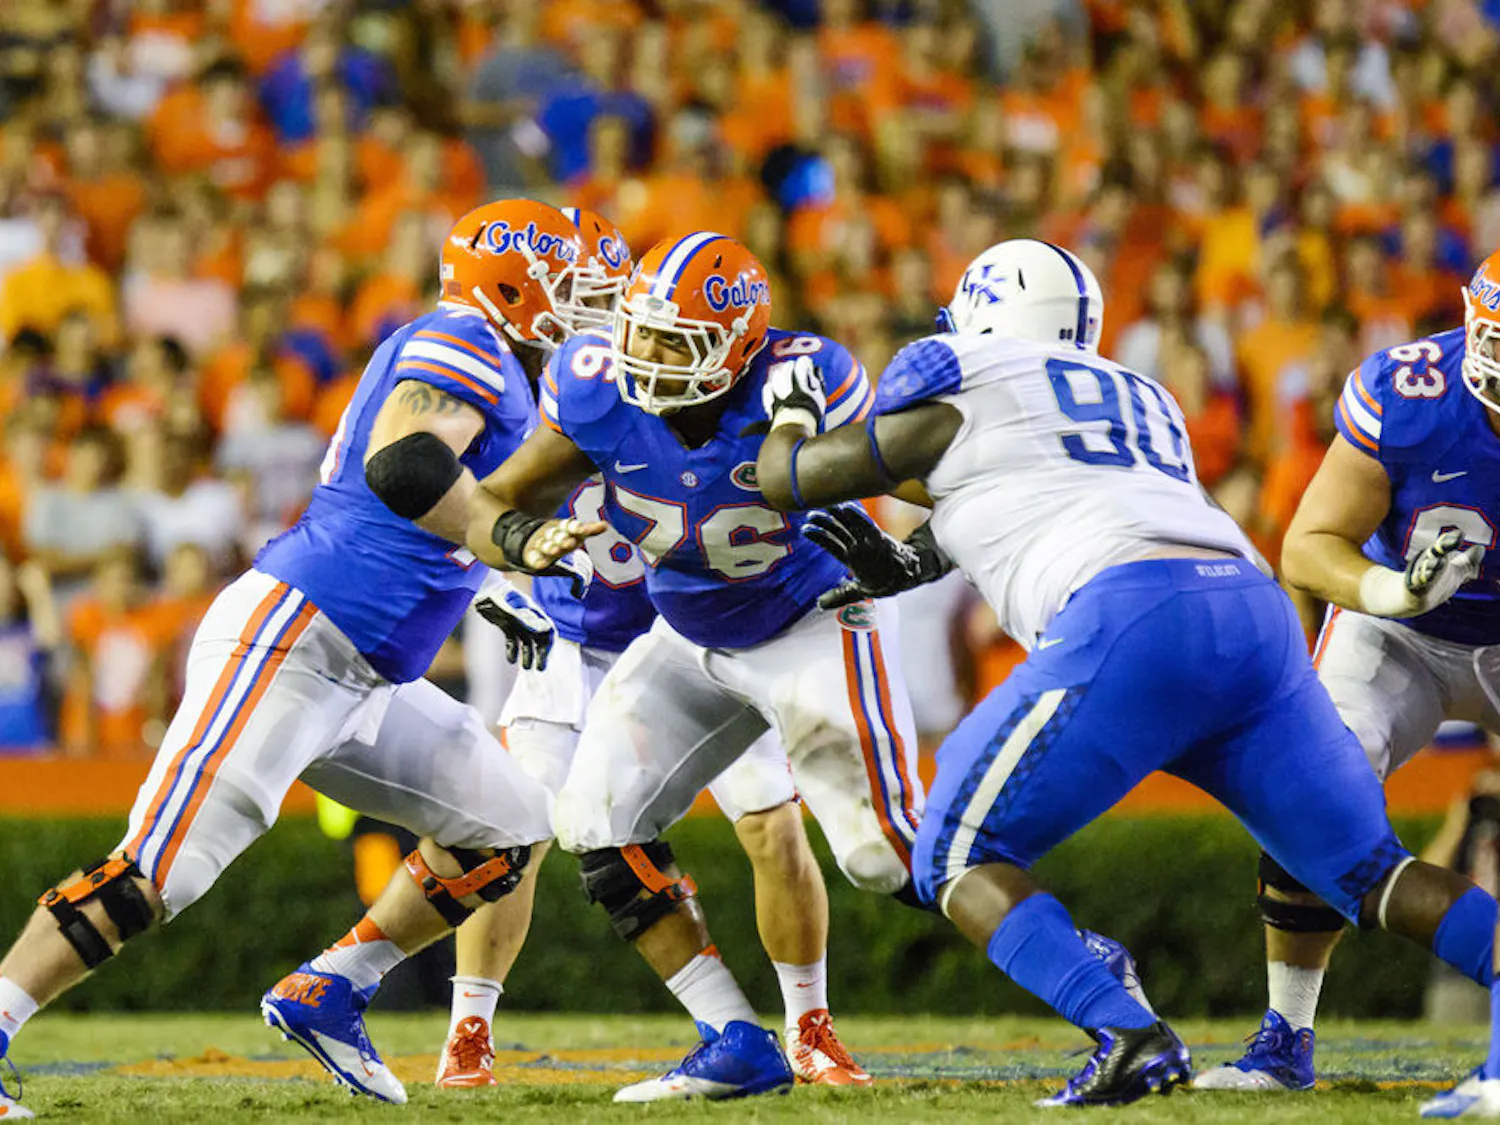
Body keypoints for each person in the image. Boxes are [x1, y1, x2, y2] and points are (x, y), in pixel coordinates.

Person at [748, 237, 1500, 1108]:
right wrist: (917, 560)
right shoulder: (1139, 396)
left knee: (952, 851)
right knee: (1370, 873)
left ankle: (1124, 1026)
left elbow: (789, 479)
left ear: (983, 317)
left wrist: (790, 414)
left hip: (1133, 614)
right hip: (1249, 611)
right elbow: (1030, 482)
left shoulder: (965, 373)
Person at [0, 199, 595, 1118]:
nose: (581, 301)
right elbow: (404, 464)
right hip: (295, 637)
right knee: (158, 873)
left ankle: (332, 986)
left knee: (508, 824)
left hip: (367, 673)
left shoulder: (506, 370)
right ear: (511, 285)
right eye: (565, 281)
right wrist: (509, 536)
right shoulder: (465, 339)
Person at [462, 232, 924, 1102]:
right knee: (591, 821)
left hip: (807, 621)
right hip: (686, 635)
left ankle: (1081, 976)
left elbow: (922, 475)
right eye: (640, 331)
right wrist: (513, 554)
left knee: (885, 858)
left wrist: (930, 547)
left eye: (675, 342)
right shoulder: (596, 386)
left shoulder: (804, 377)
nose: (646, 355)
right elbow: (493, 501)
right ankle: (736, 1037)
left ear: (738, 346)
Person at [1193, 251, 1500, 1116]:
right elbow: (1307, 545)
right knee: (1311, 783)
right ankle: (1284, 1037)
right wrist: (1394, 590)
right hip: (1400, 627)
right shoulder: (1411, 395)